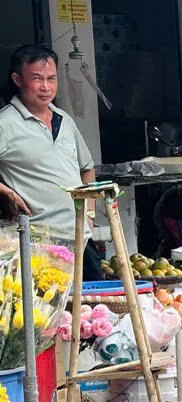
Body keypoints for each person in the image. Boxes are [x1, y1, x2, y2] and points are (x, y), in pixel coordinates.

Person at [0, 44, 101, 280]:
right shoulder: (5, 123)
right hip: (37, 245)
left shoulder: (64, 119)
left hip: (80, 239)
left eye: (51, 79)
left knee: (94, 307)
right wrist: (6, 192)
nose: (46, 87)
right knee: (48, 312)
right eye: (37, 79)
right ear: (17, 79)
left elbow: (87, 169)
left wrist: (90, 216)